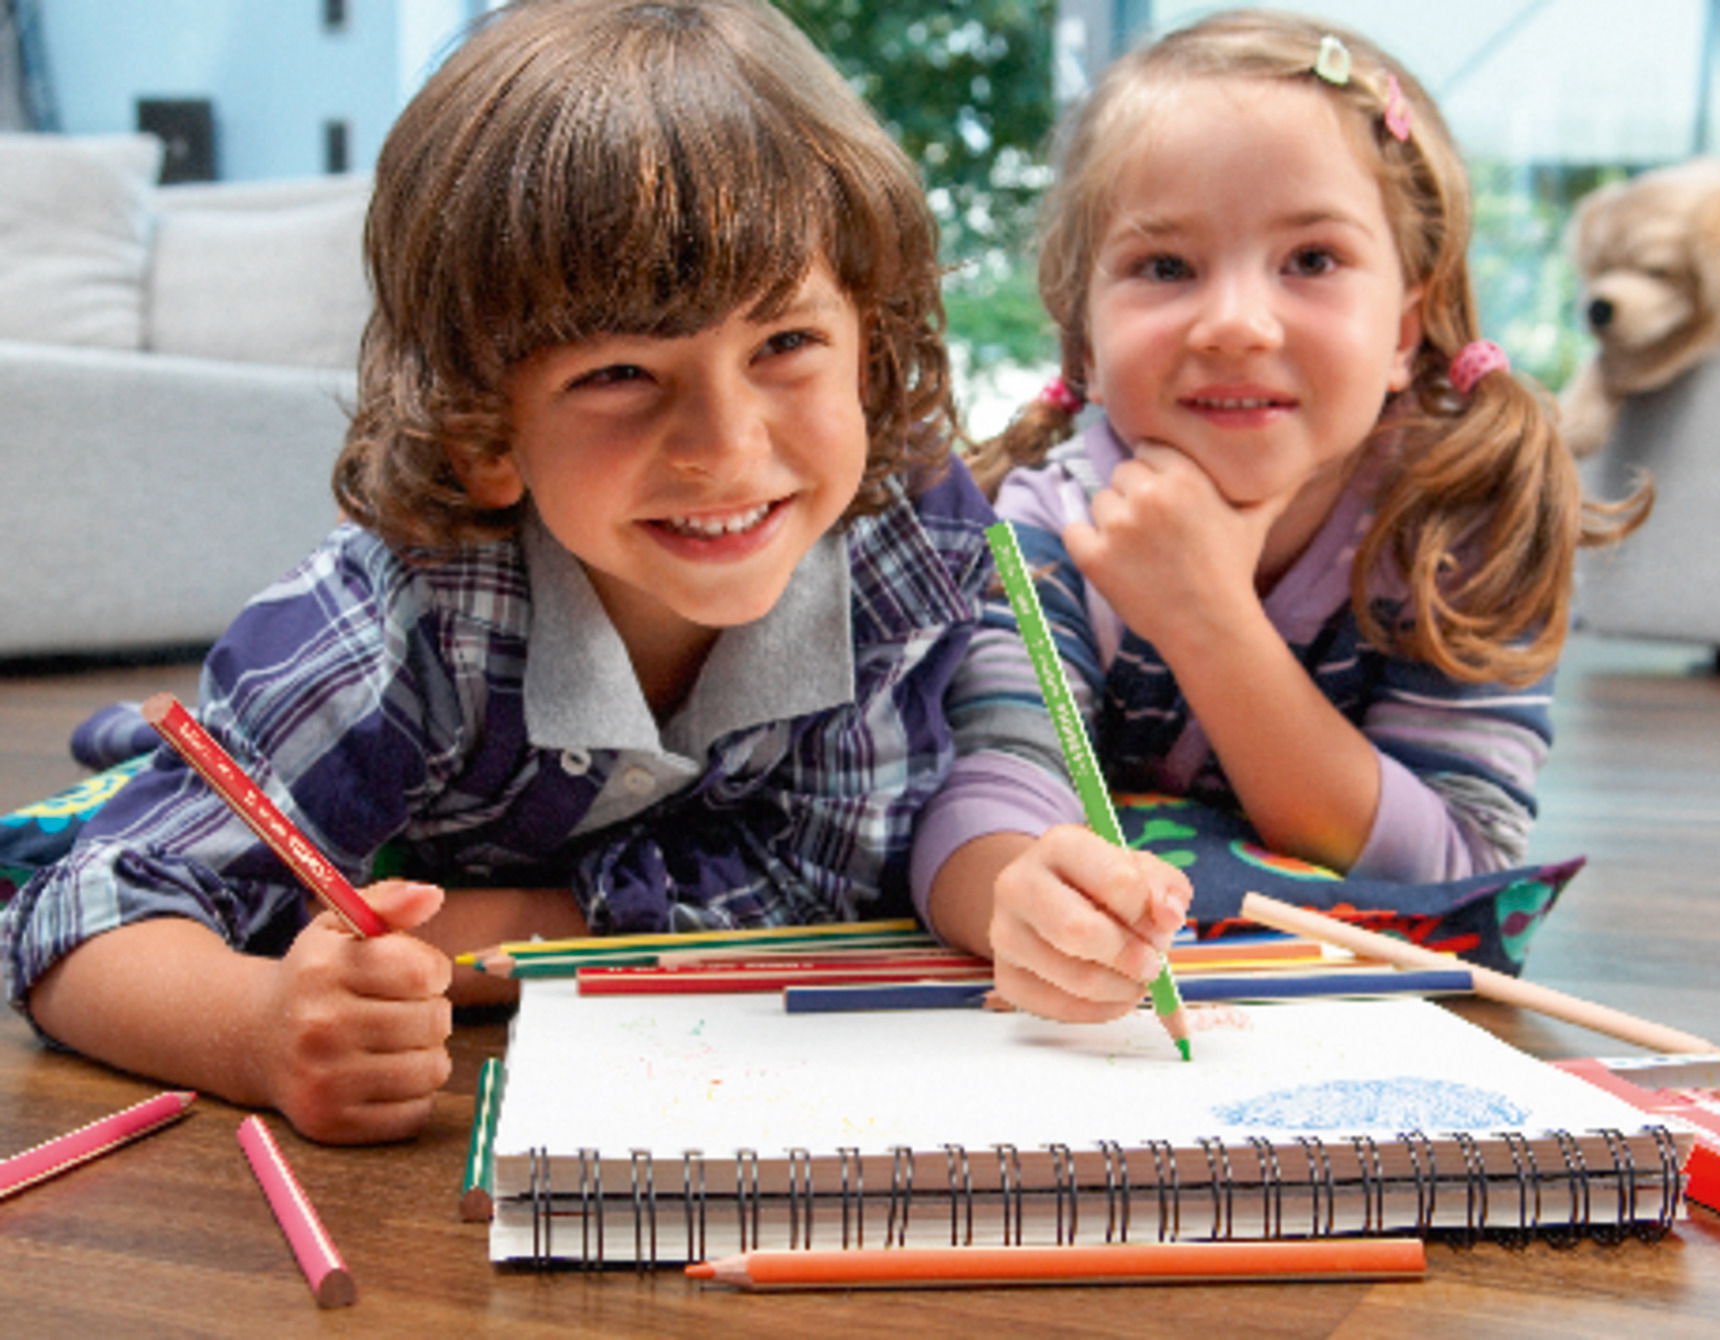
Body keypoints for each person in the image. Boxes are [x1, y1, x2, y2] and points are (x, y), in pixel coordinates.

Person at [0, 0, 993, 1144]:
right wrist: (265, 1023)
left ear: (869, 342)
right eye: (620, 370)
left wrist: (477, 934)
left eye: (785, 344)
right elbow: (81, 920)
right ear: (482, 428)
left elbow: (824, 881)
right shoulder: (394, 620)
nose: (725, 444)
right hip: (311, 770)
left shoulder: (899, 543)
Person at [914, 11, 1651, 1027]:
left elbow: (1456, 869)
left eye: (1310, 259)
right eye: (1165, 267)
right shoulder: (1047, 525)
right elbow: (993, 793)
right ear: (1081, 330)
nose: (1234, 323)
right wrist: (1015, 903)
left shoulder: (1462, 525)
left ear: (1404, 329)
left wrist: (1208, 618)